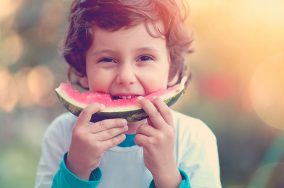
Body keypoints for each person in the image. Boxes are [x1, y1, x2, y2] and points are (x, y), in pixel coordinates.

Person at [35, 0, 221, 187]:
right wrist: (76, 169)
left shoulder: (193, 138)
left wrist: (167, 174)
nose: (126, 77)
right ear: (83, 71)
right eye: (108, 59)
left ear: (171, 69)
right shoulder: (62, 135)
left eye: (144, 58)